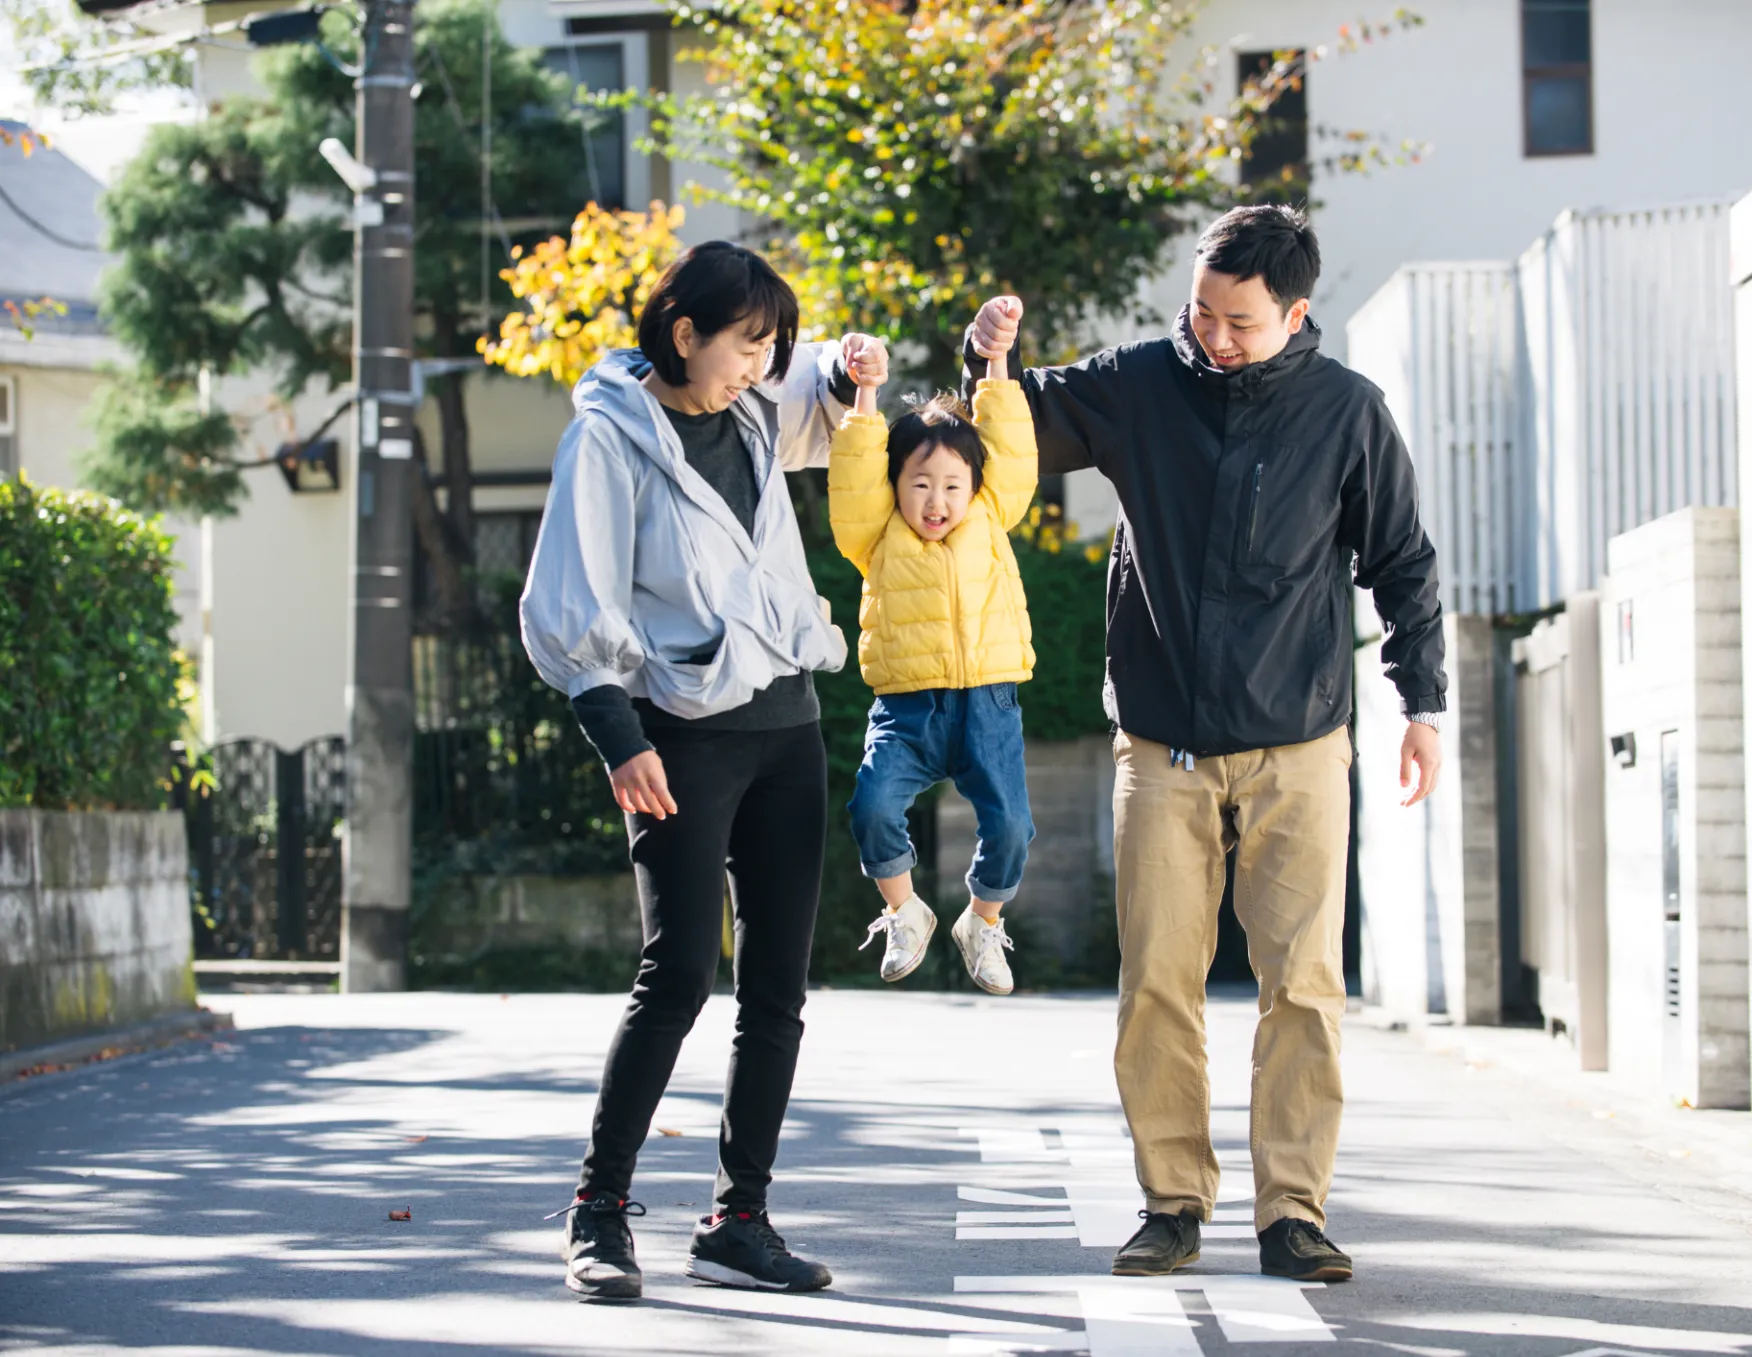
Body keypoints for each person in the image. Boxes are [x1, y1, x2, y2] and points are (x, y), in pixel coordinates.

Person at [964, 204, 1445, 1283]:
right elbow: (1014, 426)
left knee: (1304, 985)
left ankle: (1294, 1213)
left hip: (1301, 742)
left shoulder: (1347, 413)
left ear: (1297, 312)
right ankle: (1173, 1202)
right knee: (1159, 982)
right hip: (1162, 739)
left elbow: (1403, 565)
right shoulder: (1142, 382)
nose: (1213, 337)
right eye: (1200, 312)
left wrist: (1424, 705)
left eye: (1238, 321)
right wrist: (988, 360)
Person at [520, 239, 888, 1300]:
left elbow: (829, 391)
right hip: (678, 733)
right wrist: (615, 732)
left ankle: (740, 1220)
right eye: (747, 343)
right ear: (685, 335)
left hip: (787, 725)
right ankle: (598, 1213)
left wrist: (849, 364)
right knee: (678, 971)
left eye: (773, 345)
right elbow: (567, 597)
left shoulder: (755, 412)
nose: (763, 363)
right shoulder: (608, 441)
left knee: (778, 983)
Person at [826, 306, 1039, 995]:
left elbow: (1007, 444)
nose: (937, 499)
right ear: (896, 488)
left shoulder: (991, 515)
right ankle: (904, 910)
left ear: (975, 489)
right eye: (920, 484)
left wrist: (996, 365)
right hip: (907, 710)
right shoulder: (876, 533)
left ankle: (982, 921)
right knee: (871, 807)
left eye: (951, 485)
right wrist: (865, 394)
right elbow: (854, 475)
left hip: (989, 701)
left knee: (1011, 824)